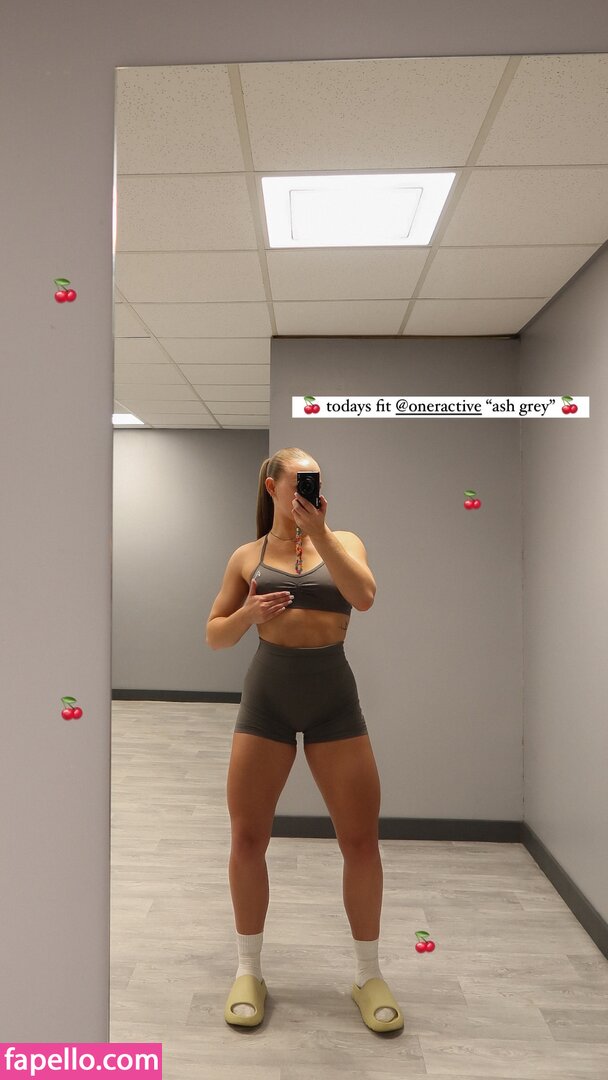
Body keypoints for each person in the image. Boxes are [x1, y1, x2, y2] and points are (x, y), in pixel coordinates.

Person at [206, 447, 404, 1033]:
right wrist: (247, 615)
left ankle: (368, 974)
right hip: (266, 702)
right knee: (247, 838)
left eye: (315, 480)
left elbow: (364, 596)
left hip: (333, 703)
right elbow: (215, 635)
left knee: (361, 840)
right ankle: (248, 970)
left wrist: (320, 533)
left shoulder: (345, 541)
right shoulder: (247, 556)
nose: (310, 489)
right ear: (272, 486)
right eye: (300, 480)